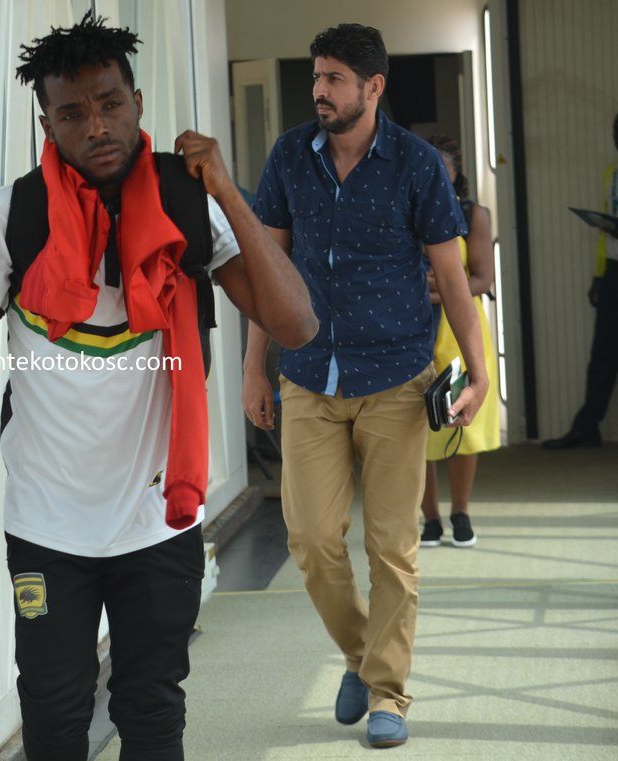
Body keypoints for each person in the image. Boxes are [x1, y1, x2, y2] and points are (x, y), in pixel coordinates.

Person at [0, 12, 316, 761]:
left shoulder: (187, 204)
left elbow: (295, 325)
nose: (96, 126)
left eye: (110, 104)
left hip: (158, 519)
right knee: (54, 717)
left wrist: (229, 193)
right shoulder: (9, 217)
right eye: (72, 113)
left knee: (153, 709)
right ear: (47, 124)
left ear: (138, 103)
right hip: (47, 524)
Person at [241, 24, 488, 749]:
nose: (319, 90)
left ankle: (388, 693)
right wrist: (254, 367)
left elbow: (452, 278)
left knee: (392, 548)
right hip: (308, 376)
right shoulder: (290, 155)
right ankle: (360, 654)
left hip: (395, 381)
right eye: (317, 76)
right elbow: (266, 273)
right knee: (312, 540)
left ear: (373, 87)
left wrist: (477, 372)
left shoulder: (416, 164)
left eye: (335, 79)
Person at [420, 135, 501, 549]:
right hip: (415, 328)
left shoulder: (473, 215)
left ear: (455, 173)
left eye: (441, 168)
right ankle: (430, 519)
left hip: (460, 330)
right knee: (416, 429)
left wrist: (441, 291)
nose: (433, 176)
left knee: (461, 424)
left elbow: (482, 279)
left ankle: (461, 512)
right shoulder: (403, 208)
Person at [543, 112, 618, 449]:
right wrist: (598, 276)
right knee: (603, 354)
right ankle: (587, 427)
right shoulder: (612, 173)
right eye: (615, 132)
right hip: (613, 272)